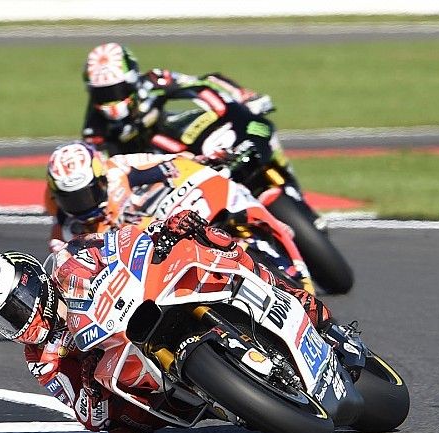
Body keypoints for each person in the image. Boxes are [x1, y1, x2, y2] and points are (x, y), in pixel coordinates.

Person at [0, 210, 337, 433]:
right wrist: (88, 383)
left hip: (140, 303)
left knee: (209, 241)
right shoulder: (41, 358)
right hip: (126, 368)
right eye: (6, 320)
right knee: (120, 430)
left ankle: (294, 297)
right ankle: (226, 401)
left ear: (34, 283)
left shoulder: (69, 264)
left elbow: (118, 242)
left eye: (16, 309)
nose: (18, 322)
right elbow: (85, 413)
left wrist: (164, 229)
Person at [43, 141, 312, 291]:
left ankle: (274, 248)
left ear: (100, 180)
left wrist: (203, 160)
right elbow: (64, 265)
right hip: (142, 258)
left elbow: (168, 163)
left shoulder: (118, 169)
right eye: (72, 198)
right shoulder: (67, 226)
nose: (81, 205)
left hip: (163, 218)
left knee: (221, 210)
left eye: (86, 194)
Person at [81, 42, 275, 158]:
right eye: (103, 94)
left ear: (132, 81)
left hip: (185, 142)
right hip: (152, 172)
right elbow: (102, 164)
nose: (111, 100)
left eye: (116, 90)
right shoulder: (94, 128)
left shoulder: (154, 80)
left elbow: (203, 83)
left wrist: (242, 96)